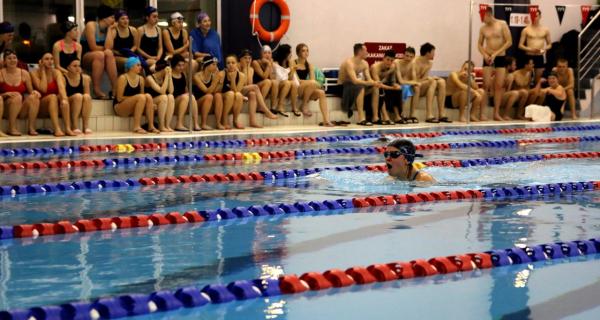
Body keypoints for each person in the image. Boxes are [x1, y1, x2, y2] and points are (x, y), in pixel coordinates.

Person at [478, 6, 512, 121]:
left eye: (482, 15)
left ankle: (496, 113)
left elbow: (509, 41)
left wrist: (496, 54)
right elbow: (479, 44)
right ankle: (482, 113)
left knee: (498, 86)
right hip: (488, 57)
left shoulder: (502, 24)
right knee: (486, 85)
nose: (481, 19)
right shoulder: (483, 28)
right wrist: (485, 55)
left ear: (488, 14)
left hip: (500, 57)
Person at [31, 52, 74, 136]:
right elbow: (43, 89)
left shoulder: (56, 72)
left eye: (51, 59)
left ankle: (68, 128)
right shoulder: (34, 73)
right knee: (53, 97)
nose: (50, 61)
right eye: (46, 59)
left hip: (54, 106)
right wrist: (43, 71)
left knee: (63, 99)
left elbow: (61, 87)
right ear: (41, 61)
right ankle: (57, 129)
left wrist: (64, 99)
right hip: (40, 106)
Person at [0, 49, 41, 136]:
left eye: (14, 58)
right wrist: (5, 94)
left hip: (20, 108)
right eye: (9, 58)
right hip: (5, 109)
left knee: (34, 97)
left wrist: (35, 92)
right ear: (4, 61)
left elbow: (31, 91)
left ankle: (31, 128)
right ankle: (11, 128)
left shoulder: (24, 73)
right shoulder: (1, 74)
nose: (12, 60)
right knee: (17, 96)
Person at [81, 4, 117, 99]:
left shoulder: (111, 30)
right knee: (100, 54)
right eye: (112, 17)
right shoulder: (91, 25)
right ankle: (96, 89)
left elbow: (108, 48)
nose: (114, 21)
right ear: (105, 18)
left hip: (102, 58)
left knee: (108, 53)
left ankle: (115, 88)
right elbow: (93, 47)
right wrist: (105, 49)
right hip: (86, 57)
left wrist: (109, 30)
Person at [292, 43, 333, 126]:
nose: (306, 52)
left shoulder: (309, 65)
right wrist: (311, 83)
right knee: (313, 83)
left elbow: (312, 80)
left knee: (321, 93)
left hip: (307, 89)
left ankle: (326, 120)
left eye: (307, 50)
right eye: (303, 51)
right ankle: (304, 105)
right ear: (298, 52)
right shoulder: (293, 62)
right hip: (297, 88)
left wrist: (311, 83)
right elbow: (297, 81)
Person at [113, 57, 157, 134]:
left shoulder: (141, 79)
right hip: (120, 107)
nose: (141, 67)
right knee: (141, 97)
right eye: (138, 65)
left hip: (134, 106)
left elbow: (143, 98)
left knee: (148, 96)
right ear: (131, 66)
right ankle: (136, 126)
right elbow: (119, 98)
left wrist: (150, 105)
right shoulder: (123, 78)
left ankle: (151, 126)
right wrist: (135, 98)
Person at [338, 43, 378, 126]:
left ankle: (375, 117)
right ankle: (361, 118)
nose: (367, 52)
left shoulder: (365, 63)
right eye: (366, 50)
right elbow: (355, 81)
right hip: (343, 87)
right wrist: (368, 83)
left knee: (375, 88)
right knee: (360, 87)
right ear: (360, 52)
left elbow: (369, 79)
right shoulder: (349, 63)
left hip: (354, 86)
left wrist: (375, 83)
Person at [239, 49, 278, 128]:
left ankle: (252, 121)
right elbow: (240, 85)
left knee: (252, 94)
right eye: (245, 58)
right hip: (237, 90)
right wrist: (244, 69)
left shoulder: (251, 69)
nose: (247, 60)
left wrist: (247, 69)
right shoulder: (237, 67)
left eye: (249, 58)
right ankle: (265, 110)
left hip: (245, 90)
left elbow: (249, 83)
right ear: (240, 59)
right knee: (255, 87)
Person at [414, 43, 450, 123]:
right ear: (427, 53)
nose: (434, 55)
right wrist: (431, 78)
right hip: (414, 86)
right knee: (432, 82)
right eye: (433, 52)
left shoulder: (429, 63)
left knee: (442, 82)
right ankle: (429, 114)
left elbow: (424, 78)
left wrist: (430, 78)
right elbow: (414, 80)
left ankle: (441, 114)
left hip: (422, 85)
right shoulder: (415, 62)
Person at [518, 10, 551, 84]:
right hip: (529, 55)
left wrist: (544, 49)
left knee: (538, 80)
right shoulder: (526, 30)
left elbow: (550, 44)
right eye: (533, 15)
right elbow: (520, 45)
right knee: (527, 79)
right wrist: (531, 49)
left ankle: (537, 94)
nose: (535, 17)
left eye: (536, 15)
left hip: (539, 56)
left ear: (540, 16)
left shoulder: (545, 29)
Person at [370, 49, 401, 125]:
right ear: (383, 58)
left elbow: (393, 81)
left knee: (398, 90)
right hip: (370, 88)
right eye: (387, 59)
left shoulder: (392, 67)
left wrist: (395, 85)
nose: (389, 62)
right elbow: (378, 84)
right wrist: (392, 88)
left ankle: (398, 116)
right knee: (380, 89)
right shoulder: (375, 67)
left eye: (391, 60)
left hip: (382, 87)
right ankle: (385, 117)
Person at [63, 58, 93, 134]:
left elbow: (87, 95)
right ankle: (74, 126)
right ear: (68, 67)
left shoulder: (84, 78)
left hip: (79, 103)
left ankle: (85, 126)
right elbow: (63, 95)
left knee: (87, 97)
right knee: (78, 96)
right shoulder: (63, 78)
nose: (78, 68)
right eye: (74, 66)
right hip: (67, 104)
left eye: (79, 66)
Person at [193, 55, 223, 130]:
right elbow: (207, 91)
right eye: (213, 64)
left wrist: (220, 83)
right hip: (197, 103)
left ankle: (218, 123)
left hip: (209, 102)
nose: (216, 67)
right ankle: (203, 123)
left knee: (218, 95)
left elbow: (216, 91)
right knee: (209, 96)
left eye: (216, 65)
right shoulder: (197, 76)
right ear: (207, 65)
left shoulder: (213, 76)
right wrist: (216, 81)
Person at [145, 60, 174, 132]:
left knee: (170, 96)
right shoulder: (150, 78)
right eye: (168, 69)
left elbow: (171, 91)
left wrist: (169, 77)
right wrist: (167, 75)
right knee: (164, 97)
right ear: (163, 69)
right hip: (149, 103)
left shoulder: (165, 77)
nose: (170, 70)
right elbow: (162, 91)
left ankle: (167, 125)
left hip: (159, 102)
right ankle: (161, 126)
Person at [395, 47, 421, 123]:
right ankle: (401, 113)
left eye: (411, 57)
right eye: (407, 56)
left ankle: (412, 115)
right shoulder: (397, 62)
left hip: (406, 84)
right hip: (397, 84)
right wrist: (412, 82)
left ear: (413, 57)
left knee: (417, 88)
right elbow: (400, 81)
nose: (408, 58)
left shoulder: (412, 63)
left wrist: (413, 82)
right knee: (405, 87)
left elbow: (414, 79)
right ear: (403, 55)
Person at [272, 44, 299, 117]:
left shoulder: (289, 63)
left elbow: (291, 79)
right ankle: (280, 106)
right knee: (287, 83)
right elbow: (280, 78)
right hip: (277, 85)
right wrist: (291, 69)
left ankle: (294, 107)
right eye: (289, 52)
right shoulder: (275, 64)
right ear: (285, 53)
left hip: (286, 84)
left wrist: (292, 69)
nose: (291, 55)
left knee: (293, 84)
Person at [219, 54, 245, 129]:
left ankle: (235, 120)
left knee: (239, 95)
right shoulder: (222, 74)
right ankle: (224, 119)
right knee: (231, 94)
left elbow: (237, 91)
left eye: (233, 63)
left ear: (237, 64)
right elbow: (218, 91)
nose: (231, 65)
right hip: (222, 97)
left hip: (233, 96)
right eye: (228, 63)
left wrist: (233, 79)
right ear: (225, 64)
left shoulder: (241, 76)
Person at [169, 54, 193, 130]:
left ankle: (195, 123)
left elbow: (185, 88)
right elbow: (170, 92)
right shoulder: (169, 74)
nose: (181, 67)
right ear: (174, 65)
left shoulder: (183, 74)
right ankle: (179, 123)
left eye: (183, 65)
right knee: (185, 97)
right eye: (179, 65)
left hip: (182, 102)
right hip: (172, 103)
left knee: (191, 96)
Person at [136, 6, 162, 71]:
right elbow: (137, 48)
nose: (157, 19)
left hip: (156, 57)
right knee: (158, 65)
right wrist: (149, 57)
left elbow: (160, 47)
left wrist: (158, 56)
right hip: (144, 58)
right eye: (154, 17)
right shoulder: (140, 30)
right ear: (147, 17)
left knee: (164, 66)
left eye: (157, 17)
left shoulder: (158, 29)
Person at [251, 45, 277, 111]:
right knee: (267, 81)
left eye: (269, 53)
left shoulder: (271, 63)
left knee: (274, 82)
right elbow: (264, 77)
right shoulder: (255, 62)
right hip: (256, 86)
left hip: (267, 85)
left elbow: (272, 78)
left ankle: (273, 107)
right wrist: (268, 65)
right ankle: (260, 105)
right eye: (265, 53)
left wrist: (270, 65)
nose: (267, 55)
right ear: (261, 54)